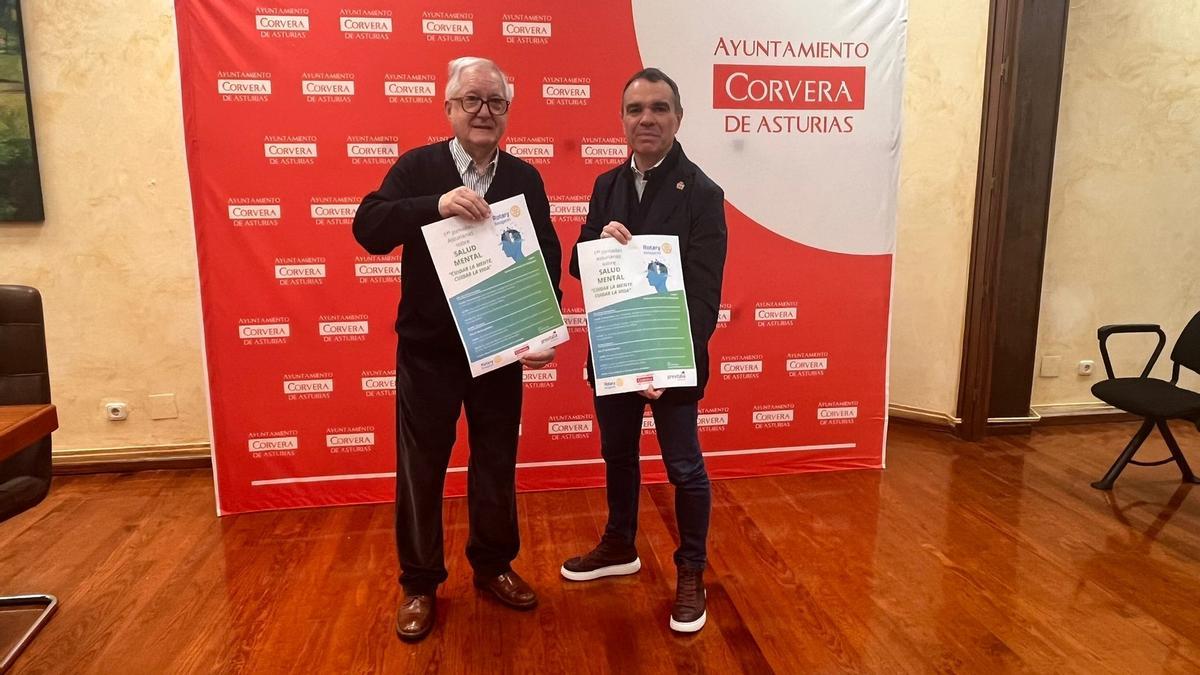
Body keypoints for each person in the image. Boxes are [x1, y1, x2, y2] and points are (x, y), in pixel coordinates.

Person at [353, 56, 562, 642]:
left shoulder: (525, 178)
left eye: (495, 102)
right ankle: (419, 583)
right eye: (471, 100)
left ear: (507, 112)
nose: (483, 112)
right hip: (429, 353)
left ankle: (493, 565)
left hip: (497, 349)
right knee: (421, 469)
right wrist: (434, 207)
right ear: (448, 109)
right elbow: (368, 228)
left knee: (496, 463)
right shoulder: (419, 168)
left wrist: (541, 331)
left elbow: (545, 257)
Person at [563, 68, 727, 633]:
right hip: (614, 351)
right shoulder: (606, 184)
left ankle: (691, 570)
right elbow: (576, 264)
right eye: (635, 110)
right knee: (618, 455)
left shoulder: (703, 194)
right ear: (623, 120)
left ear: (678, 119)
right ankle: (618, 545)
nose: (647, 119)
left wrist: (668, 358)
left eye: (659, 108)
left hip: (672, 358)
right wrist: (593, 245)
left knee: (684, 467)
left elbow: (706, 298)